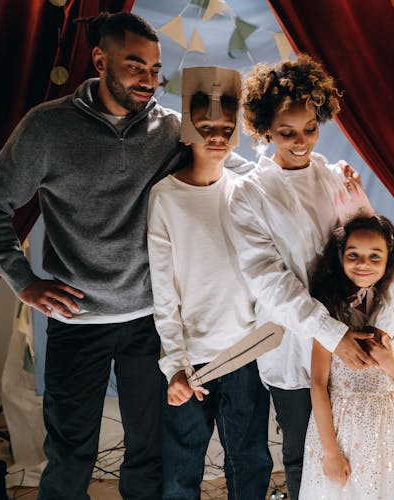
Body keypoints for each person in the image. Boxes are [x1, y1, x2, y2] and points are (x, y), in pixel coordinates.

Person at [0, 12, 177, 499]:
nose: (148, 80)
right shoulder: (48, 127)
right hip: (75, 319)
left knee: (148, 450)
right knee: (69, 452)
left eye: (154, 68)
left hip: (150, 319)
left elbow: (230, 174)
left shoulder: (170, 130)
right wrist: (22, 280)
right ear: (100, 60)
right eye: (134, 66)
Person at [228, 54, 394, 500]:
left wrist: (386, 328)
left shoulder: (335, 179)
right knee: (305, 455)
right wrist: (332, 335)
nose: (301, 141)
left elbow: (379, 251)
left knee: (363, 453)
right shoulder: (249, 195)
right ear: (264, 128)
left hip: (360, 347)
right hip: (295, 349)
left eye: (310, 128)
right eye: (287, 132)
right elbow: (271, 283)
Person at [146, 66, 272, 500]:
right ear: (187, 132)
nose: (215, 135)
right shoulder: (165, 198)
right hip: (193, 359)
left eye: (224, 127)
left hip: (247, 353)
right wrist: (175, 364)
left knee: (251, 460)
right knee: (182, 468)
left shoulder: (246, 190)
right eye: (204, 128)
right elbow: (165, 291)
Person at [299, 215, 394, 499]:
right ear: (341, 257)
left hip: (393, 428)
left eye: (375, 256)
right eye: (354, 255)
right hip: (343, 430)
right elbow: (318, 383)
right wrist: (330, 452)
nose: (363, 264)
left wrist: (388, 362)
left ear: (389, 262)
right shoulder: (328, 314)